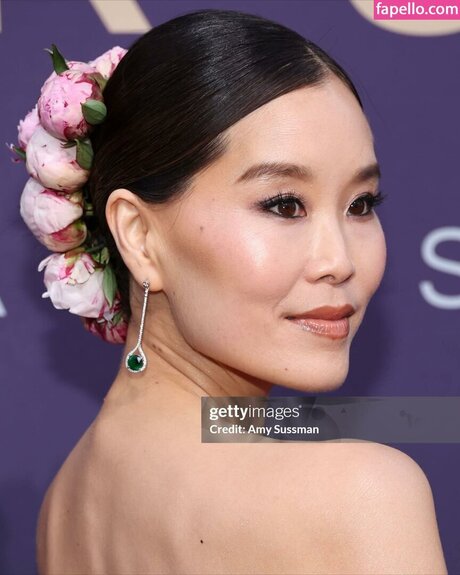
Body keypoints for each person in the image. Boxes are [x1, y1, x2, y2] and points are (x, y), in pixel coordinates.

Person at [33, 8, 447, 574]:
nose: (339, 262)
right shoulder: (362, 496)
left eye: (361, 204)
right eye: (284, 205)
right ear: (140, 236)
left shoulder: (65, 507)